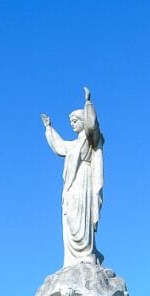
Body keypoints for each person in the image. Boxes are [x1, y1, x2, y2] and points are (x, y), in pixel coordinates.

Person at [41, 86, 104, 268]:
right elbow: (59, 147)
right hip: (71, 185)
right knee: (70, 219)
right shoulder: (73, 145)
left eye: (75, 120)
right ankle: (72, 260)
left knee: (82, 217)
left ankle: (86, 254)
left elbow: (93, 126)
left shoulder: (91, 139)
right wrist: (49, 128)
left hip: (84, 181)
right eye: (71, 121)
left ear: (83, 121)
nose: (72, 124)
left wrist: (88, 103)